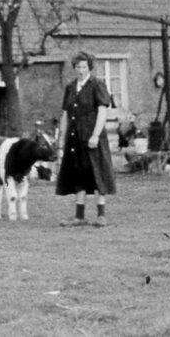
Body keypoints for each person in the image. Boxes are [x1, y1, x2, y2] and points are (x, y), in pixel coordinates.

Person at [56, 50, 116, 227]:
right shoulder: (70, 87)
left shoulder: (97, 85)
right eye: (78, 67)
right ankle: (79, 216)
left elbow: (102, 111)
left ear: (89, 67)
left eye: (84, 66)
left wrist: (96, 135)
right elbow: (66, 114)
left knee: (97, 173)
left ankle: (101, 215)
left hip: (92, 137)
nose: (81, 70)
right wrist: (61, 139)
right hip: (75, 139)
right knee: (78, 174)